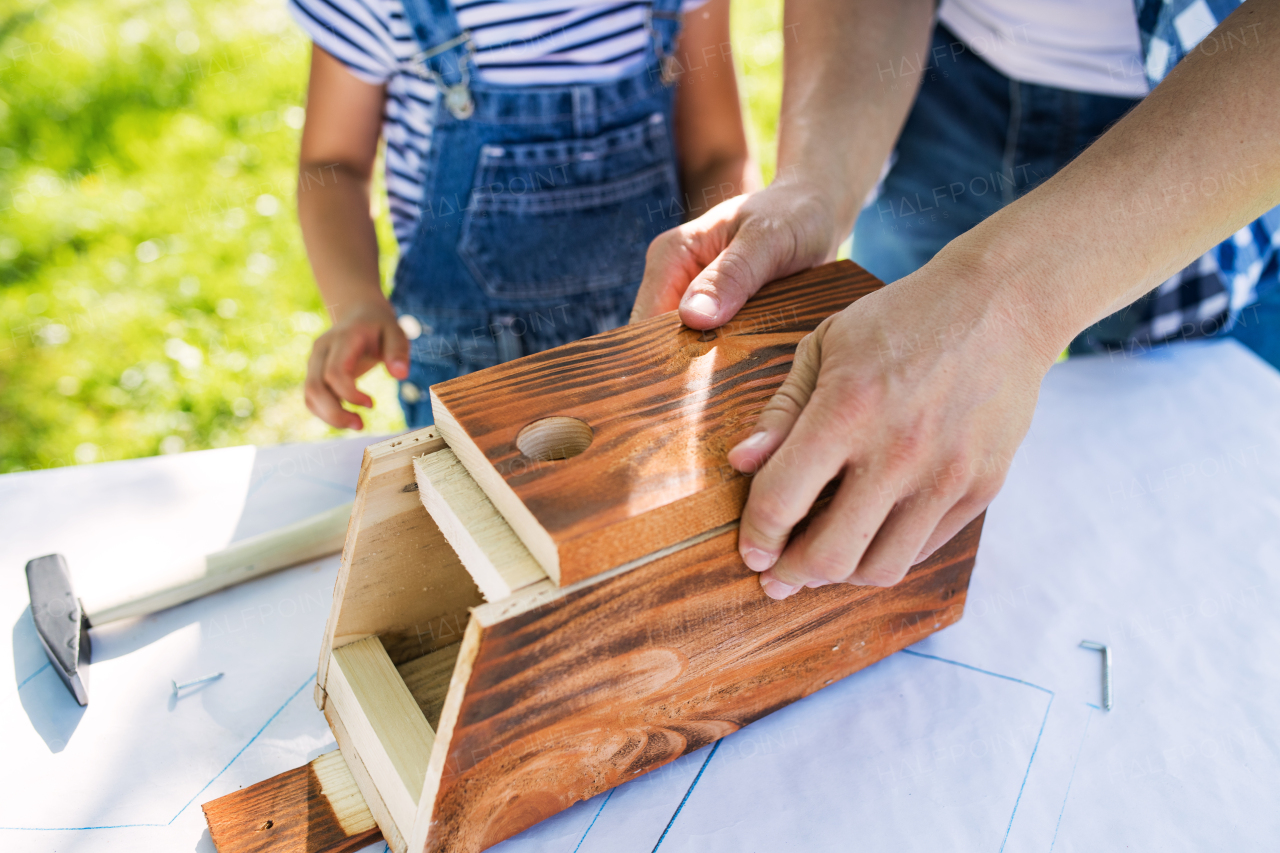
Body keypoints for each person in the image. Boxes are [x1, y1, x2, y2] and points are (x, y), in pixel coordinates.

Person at [632, 0, 1279, 599]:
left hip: (1227, 127)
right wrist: (818, 180)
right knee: (876, 454)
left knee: (1208, 535)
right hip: (940, 81)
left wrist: (1008, 305)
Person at [291, 0, 754, 430]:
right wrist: (356, 302)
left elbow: (717, 154)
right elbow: (334, 166)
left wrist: (720, 280)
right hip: (467, 370)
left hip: (664, 345)